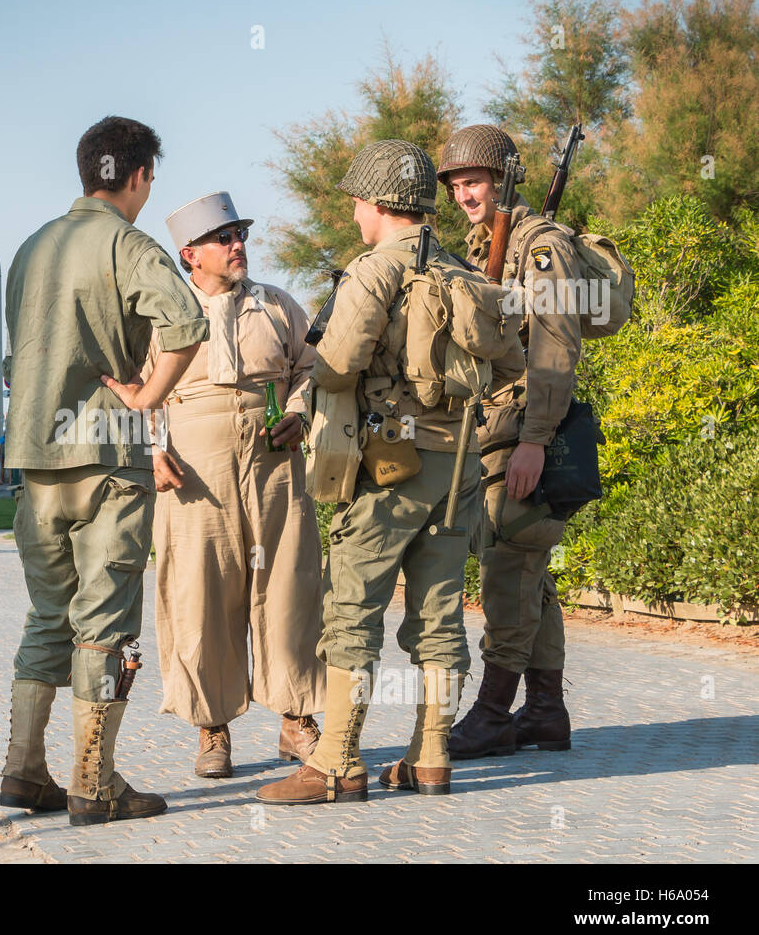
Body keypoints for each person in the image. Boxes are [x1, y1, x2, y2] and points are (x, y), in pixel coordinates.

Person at [0, 115, 208, 826]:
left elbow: (13, 358)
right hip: (108, 459)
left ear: (88, 170)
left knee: (48, 616)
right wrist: (148, 397)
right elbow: (187, 323)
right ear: (141, 175)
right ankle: (95, 784)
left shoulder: (31, 248)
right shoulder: (127, 244)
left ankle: (22, 773)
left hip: (35, 460)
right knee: (106, 625)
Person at [256, 140, 477, 806]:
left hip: (388, 463)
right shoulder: (461, 267)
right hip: (455, 460)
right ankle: (432, 755)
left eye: (358, 203)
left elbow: (337, 364)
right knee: (440, 611)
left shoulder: (374, 271)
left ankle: (336, 764)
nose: (355, 215)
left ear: (381, 205)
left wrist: (319, 371)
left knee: (351, 607)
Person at [145, 191, 328, 778]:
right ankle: (212, 728)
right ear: (189, 254)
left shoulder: (276, 305)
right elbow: (129, 388)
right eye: (223, 239)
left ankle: (297, 721)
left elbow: (310, 366)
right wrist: (150, 452)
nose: (237, 246)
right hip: (192, 465)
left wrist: (299, 409)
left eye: (240, 234)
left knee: (289, 584)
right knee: (200, 591)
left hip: (273, 457)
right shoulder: (159, 315)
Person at [438, 125, 584, 758]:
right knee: (530, 573)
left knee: (509, 570)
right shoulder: (483, 247)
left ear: (502, 179)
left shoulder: (541, 245)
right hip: (494, 428)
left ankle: (493, 712)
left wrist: (535, 439)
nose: (465, 195)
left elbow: (556, 346)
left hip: (526, 430)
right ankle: (546, 712)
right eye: (456, 185)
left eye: (474, 181)